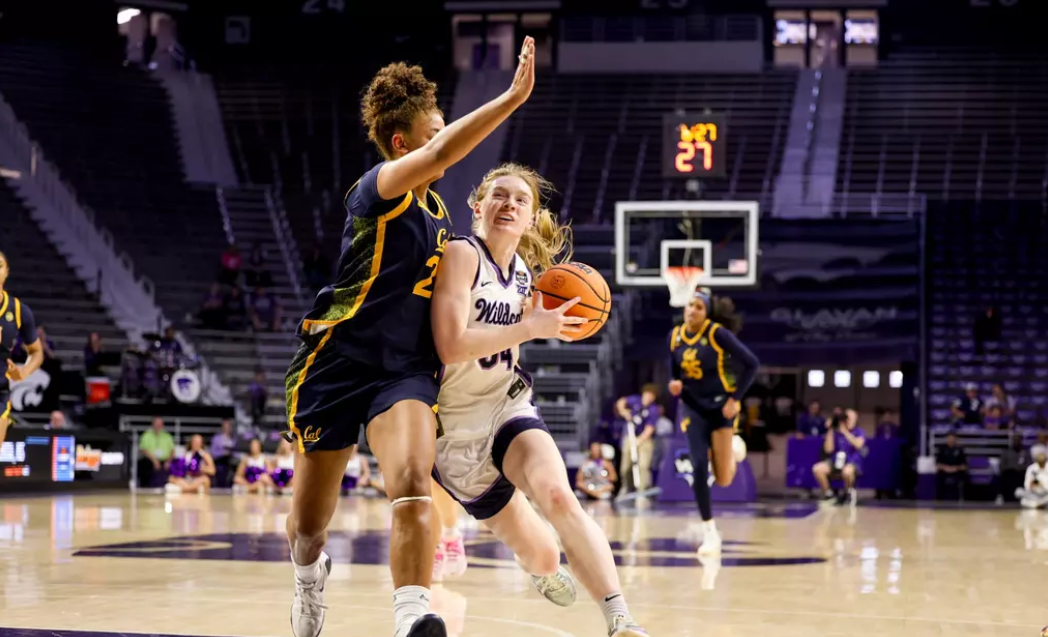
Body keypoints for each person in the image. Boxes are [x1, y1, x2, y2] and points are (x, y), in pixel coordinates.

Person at [282, 39, 538, 637]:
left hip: (402, 369)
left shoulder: (439, 212)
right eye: (434, 130)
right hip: (337, 365)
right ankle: (306, 576)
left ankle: (413, 613)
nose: (444, 137)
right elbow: (450, 148)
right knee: (309, 526)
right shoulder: (379, 189)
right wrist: (510, 98)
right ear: (404, 143)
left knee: (411, 479)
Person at [430, 162, 647, 637]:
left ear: (532, 217)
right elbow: (451, 346)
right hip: (456, 430)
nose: (509, 205)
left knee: (557, 495)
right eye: (499, 195)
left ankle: (620, 619)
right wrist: (531, 327)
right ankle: (541, 566)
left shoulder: (526, 273)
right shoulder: (462, 254)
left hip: (507, 407)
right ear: (477, 205)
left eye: (521, 200)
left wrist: (549, 324)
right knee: (544, 555)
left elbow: (512, 338)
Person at [667, 289, 759, 555]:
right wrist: (674, 385)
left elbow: (751, 364)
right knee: (697, 465)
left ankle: (735, 449)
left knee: (723, 479)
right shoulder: (673, 337)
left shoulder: (717, 334)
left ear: (706, 312)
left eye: (698, 307)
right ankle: (710, 532)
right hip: (692, 409)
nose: (692, 310)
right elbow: (675, 374)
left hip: (720, 407)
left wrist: (735, 398)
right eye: (689, 306)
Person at [0, 250, 43, 448]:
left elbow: (36, 352)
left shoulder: (18, 310)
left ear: (6, 272)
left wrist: (23, 372)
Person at [811, 408, 865, 506]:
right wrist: (831, 429)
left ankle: (848, 493)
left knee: (847, 472)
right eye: (847, 418)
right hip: (836, 462)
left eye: (852, 418)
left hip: (852, 463)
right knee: (817, 469)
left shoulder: (858, 431)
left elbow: (858, 445)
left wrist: (845, 432)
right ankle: (829, 494)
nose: (849, 421)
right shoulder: (835, 432)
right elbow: (828, 449)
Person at [614, 384, 658, 496]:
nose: (649, 397)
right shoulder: (635, 400)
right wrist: (624, 412)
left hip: (644, 438)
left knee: (643, 465)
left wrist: (641, 439)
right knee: (625, 466)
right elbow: (621, 402)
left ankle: (642, 489)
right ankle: (626, 487)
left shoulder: (653, 409)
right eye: (648, 394)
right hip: (630, 435)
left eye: (652, 396)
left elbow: (650, 428)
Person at [934, 432, 968, 501]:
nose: (951, 440)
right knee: (939, 477)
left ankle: (959, 499)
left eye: (953, 439)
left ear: (956, 440)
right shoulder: (942, 449)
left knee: (963, 477)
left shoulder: (960, 450)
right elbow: (937, 465)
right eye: (949, 438)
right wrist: (945, 468)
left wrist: (956, 468)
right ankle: (939, 500)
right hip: (944, 472)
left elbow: (964, 466)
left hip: (956, 472)